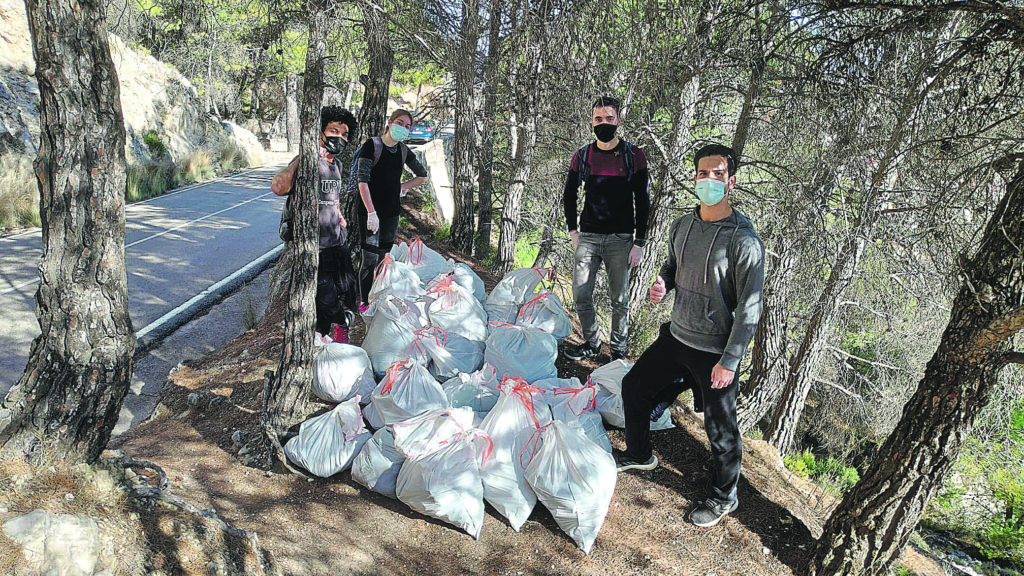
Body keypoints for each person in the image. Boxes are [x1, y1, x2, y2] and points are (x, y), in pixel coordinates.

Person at [614, 143, 765, 529]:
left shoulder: (743, 241)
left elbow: (749, 308)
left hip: (713, 351)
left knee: (721, 431)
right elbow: (670, 267)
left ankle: (723, 498)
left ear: (731, 181)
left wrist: (729, 361)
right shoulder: (682, 226)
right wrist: (663, 283)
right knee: (634, 387)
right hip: (677, 335)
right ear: (694, 177)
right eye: (702, 173)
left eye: (717, 174)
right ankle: (639, 454)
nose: (708, 180)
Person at [563, 96, 651, 362]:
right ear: (591, 122)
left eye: (609, 118)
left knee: (620, 300)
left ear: (619, 121)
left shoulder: (633, 155)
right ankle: (591, 343)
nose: (604, 124)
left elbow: (643, 200)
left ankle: (617, 352)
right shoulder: (583, 156)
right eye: (598, 119)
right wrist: (573, 231)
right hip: (588, 237)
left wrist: (640, 242)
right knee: (580, 294)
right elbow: (569, 194)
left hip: (620, 239)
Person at [270, 105, 359, 343]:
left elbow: (333, 197)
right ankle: (341, 323)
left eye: (344, 134)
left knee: (342, 292)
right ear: (320, 133)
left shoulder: (337, 166)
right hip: (312, 245)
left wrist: (339, 215)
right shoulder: (307, 162)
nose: (339, 138)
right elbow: (278, 187)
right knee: (325, 295)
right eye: (333, 131)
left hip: (335, 242)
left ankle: (323, 339)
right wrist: (303, 158)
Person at [353, 108, 429, 305]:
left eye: (407, 126)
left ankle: (377, 298)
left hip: (391, 214)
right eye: (400, 123)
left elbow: (422, 176)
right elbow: (363, 181)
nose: (403, 128)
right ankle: (365, 302)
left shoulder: (403, 151)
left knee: (383, 258)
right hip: (370, 212)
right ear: (390, 122)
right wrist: (371, 212)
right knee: (368, 258)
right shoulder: (372, 145)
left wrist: (402, 187)